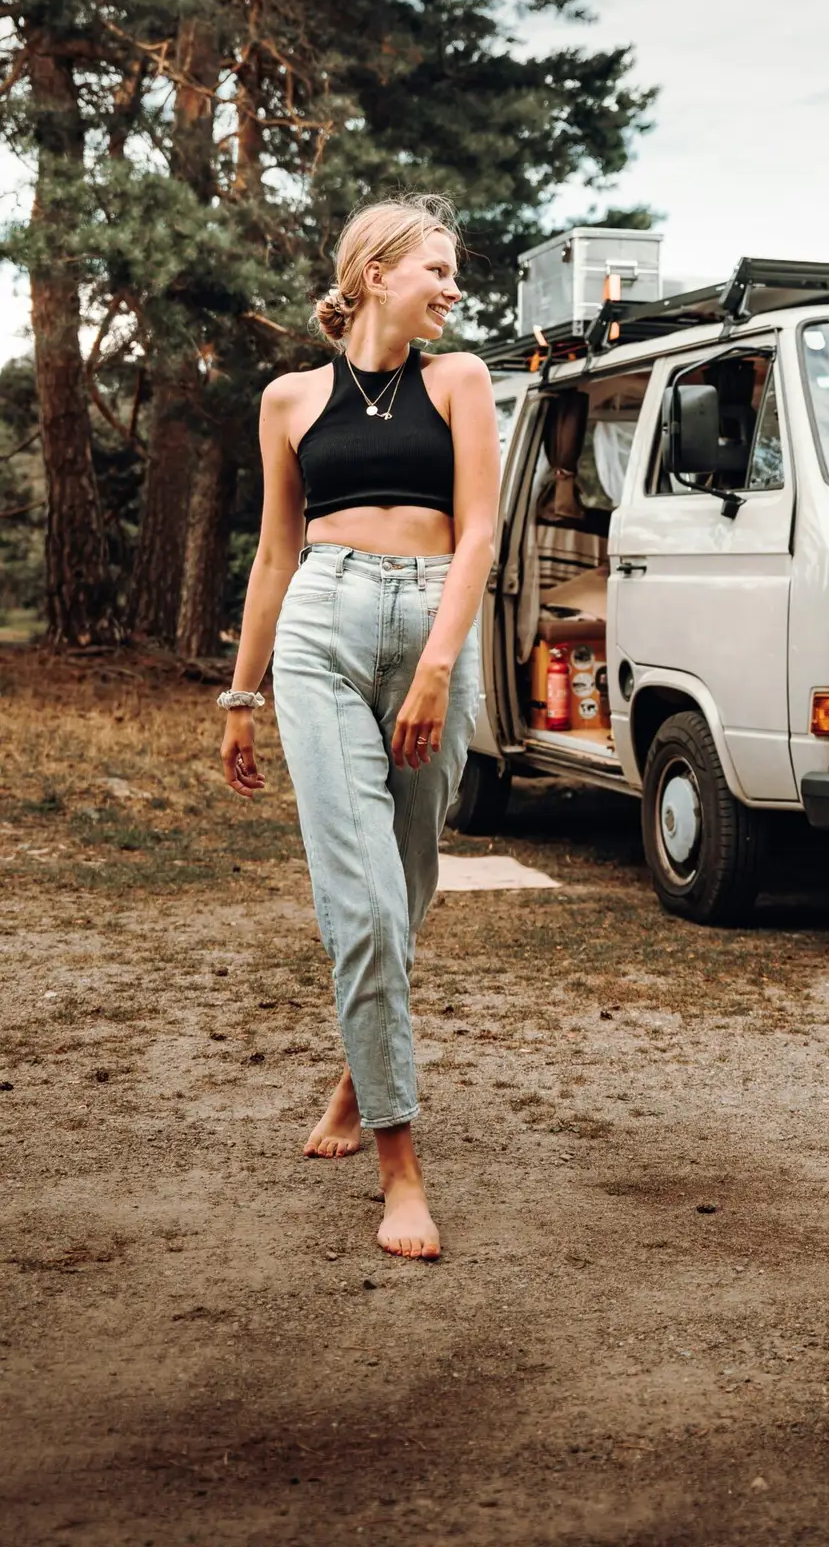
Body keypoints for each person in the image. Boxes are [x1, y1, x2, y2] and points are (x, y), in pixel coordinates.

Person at [217, 194, 499, 1260]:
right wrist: (240, 698)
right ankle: (400, 1168)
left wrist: (436, 668)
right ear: (377, 272)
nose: (453, 288)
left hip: (434, 623)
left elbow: (479, 533)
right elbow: (273, 554)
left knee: (405, 888)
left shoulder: (459, 380)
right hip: (321, 627)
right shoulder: (289, 398)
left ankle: (355, 1072)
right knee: (363, 899)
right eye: (438, 268)